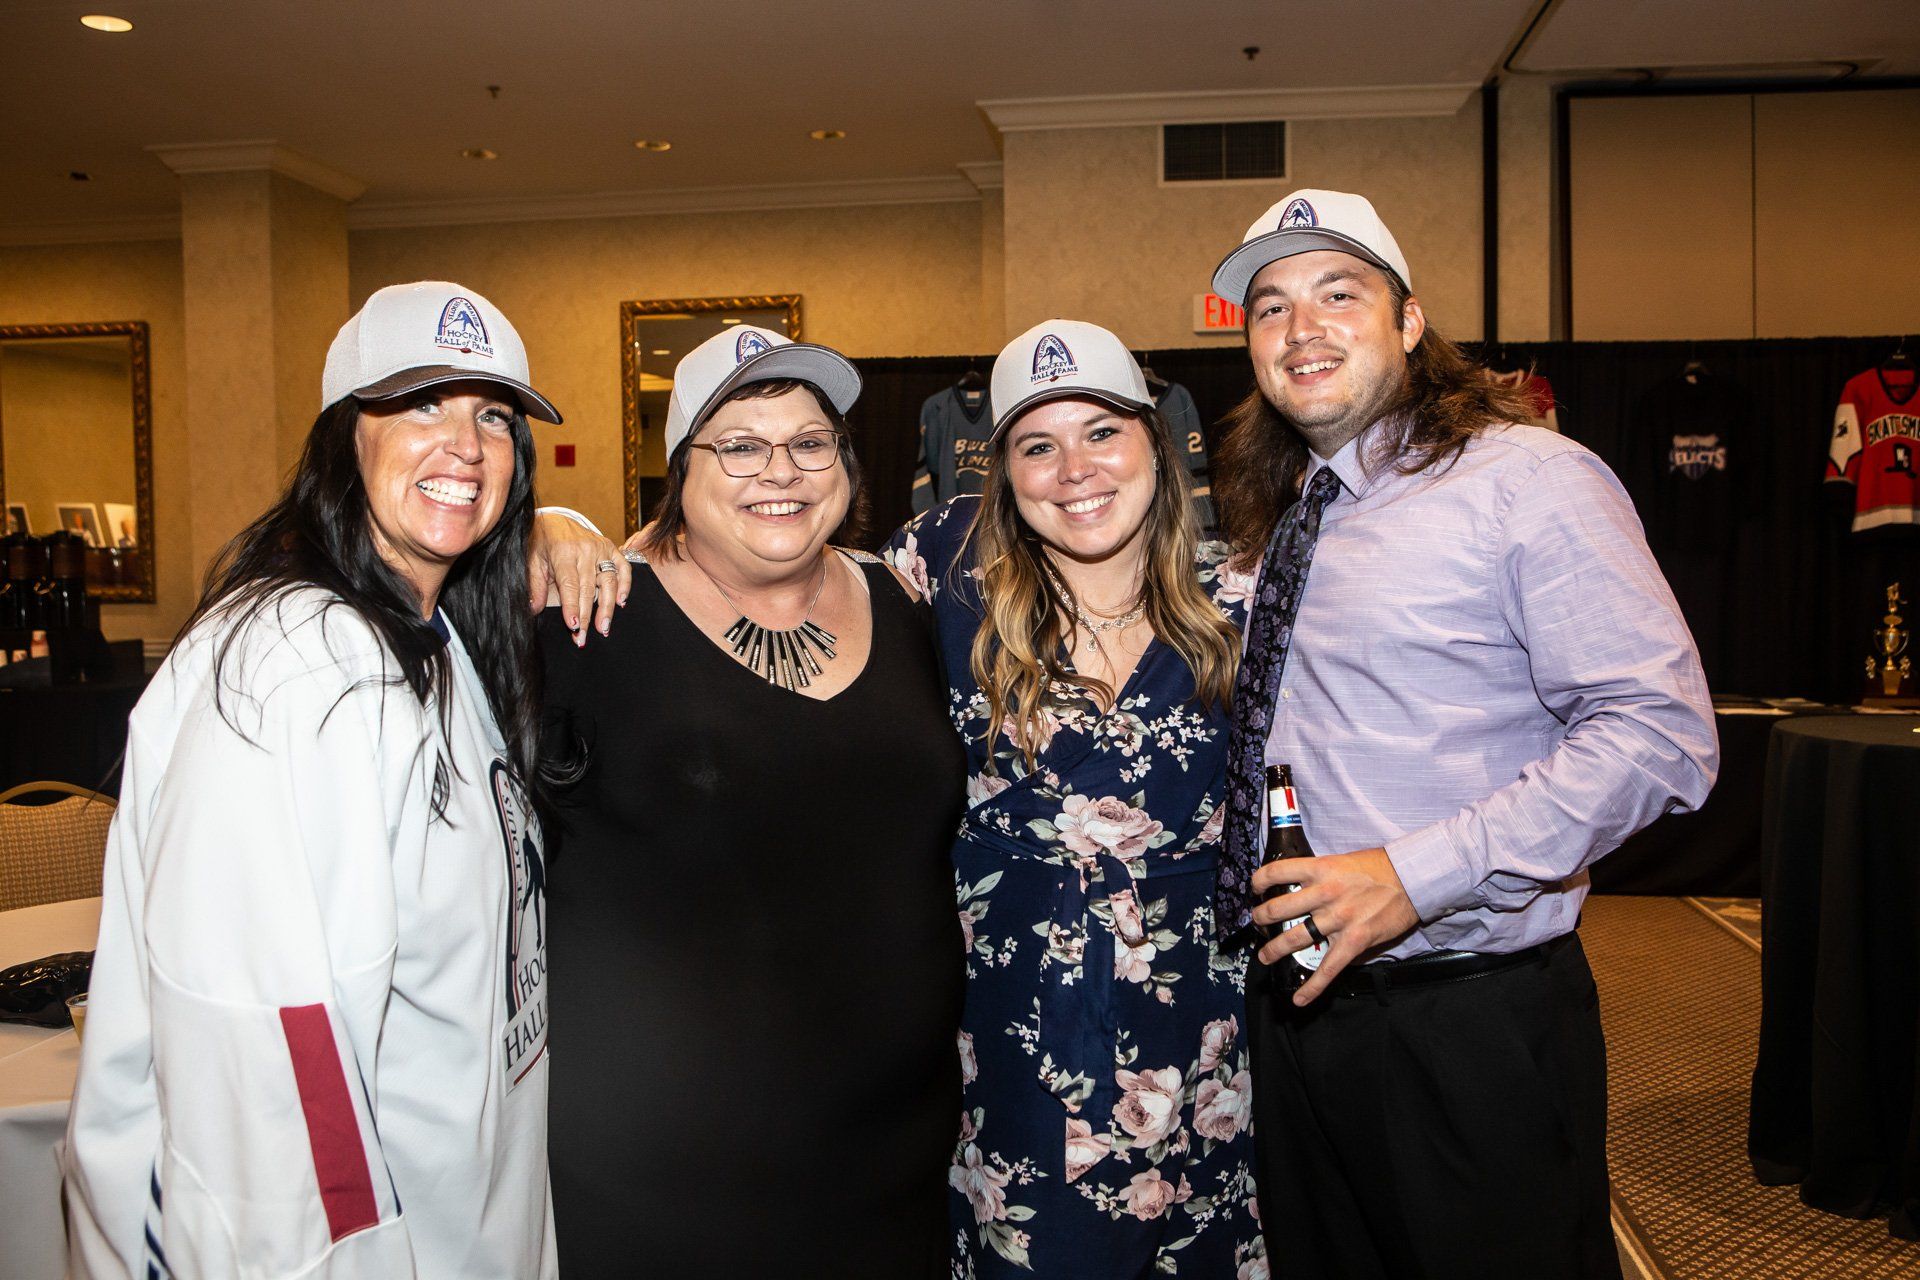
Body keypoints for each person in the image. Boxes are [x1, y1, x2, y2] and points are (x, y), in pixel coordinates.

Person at [1207, 189, 1718, 1278]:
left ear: (1409, 321)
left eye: (1338, 294)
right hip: (1297, 1010)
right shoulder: (1288, 508)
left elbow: (1660, 734)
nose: (1300, 328)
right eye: (1270, 306)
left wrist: (1415, 874)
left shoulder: (1527, 478)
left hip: (1463, 1021)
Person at [64, 281, 563, 1278]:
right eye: (422, 403)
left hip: (463, 1233)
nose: (465, 445)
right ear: (345, 438)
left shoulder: (434, 637)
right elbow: (274, 1060)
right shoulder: (300, 662)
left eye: (493, 417)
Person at [530, 326, 965, 1276]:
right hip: (667, 1172)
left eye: (811, 442)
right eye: (739, 445)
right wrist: (541, 518)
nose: (782, 470)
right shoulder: (586, 617)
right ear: (681, 469)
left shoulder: (908, 605)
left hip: (893, 1154)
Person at [884, 320, 1263, 1278]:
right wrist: (574, 531)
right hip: (1010, 1008)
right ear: (1003, 474)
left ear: (1156, 445)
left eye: (1102, 433)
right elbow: (769, 576)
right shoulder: (945, 570)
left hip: (1200, 1015)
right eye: (1036, 446)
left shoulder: (1240, 595)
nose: (1074, 470)